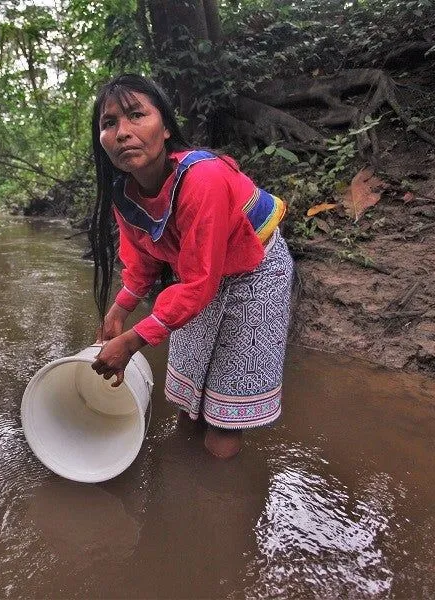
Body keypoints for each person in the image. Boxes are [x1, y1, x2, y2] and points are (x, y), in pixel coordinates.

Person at [88, 74, 295, 459]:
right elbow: (144, 257)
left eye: (136, 115)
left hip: (256, 272)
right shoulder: (126, 194)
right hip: (196, 275)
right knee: (186, 404)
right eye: (109, 122)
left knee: (222, 427)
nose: (122, 132)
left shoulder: (203, 178)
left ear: (166, 127)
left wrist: (131, 342)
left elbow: (201, 284)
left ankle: (218, 487)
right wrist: (119, 309)